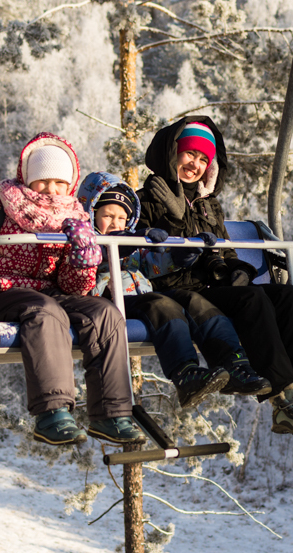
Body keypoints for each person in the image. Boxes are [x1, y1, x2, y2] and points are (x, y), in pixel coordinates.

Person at [135, 116, 293, 435]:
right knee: (252, 298)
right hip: (178, 292)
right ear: (172, 153)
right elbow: (141, 260)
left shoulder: (209, 206)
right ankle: (284, 399)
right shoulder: (147, 200)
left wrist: (236, 269)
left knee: (289, 295)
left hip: (215, 287)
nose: (194, 164)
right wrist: (177, 242)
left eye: (202, 159)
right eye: (189, 154)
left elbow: (227, 251)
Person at [0, 133, 144, 446]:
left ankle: (111, 413)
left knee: (105, 313)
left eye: (60, 184)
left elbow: (73, 287)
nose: (52, 191)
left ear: (70, 185)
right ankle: (52, 414)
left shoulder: (75, 218)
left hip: (52, 293)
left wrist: (82, 260)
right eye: (43, 182)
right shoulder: (1, 207)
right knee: (45, 311)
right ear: (27, 179)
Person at [78, 171, 271, 410]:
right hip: (110, 299)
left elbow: (153, 264)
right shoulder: (86, 241)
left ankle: (234, 362)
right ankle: (184, 372)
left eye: (121, 218)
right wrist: (128, 242)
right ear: (91, 214)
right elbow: (93, 263)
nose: (116, 224)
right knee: (162, 305)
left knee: (192, 299)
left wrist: (182, 254)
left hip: (143, 295)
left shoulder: (130, 242)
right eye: (108, 216)